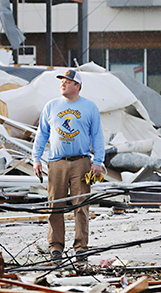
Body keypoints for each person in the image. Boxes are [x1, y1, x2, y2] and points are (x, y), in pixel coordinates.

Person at [32, 69, 104, 261]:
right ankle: (56, 247)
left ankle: (81, 247)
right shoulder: (51, 106)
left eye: (68, 81)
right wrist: (36, 158)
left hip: (81, 162)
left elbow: (97, 135)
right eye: (62, 81)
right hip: (57, 163)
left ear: (78, 86)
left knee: (81, 206)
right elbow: (42, 134)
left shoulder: (89, 107)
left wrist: (98, 162)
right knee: (55, 205)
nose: (63, 84)